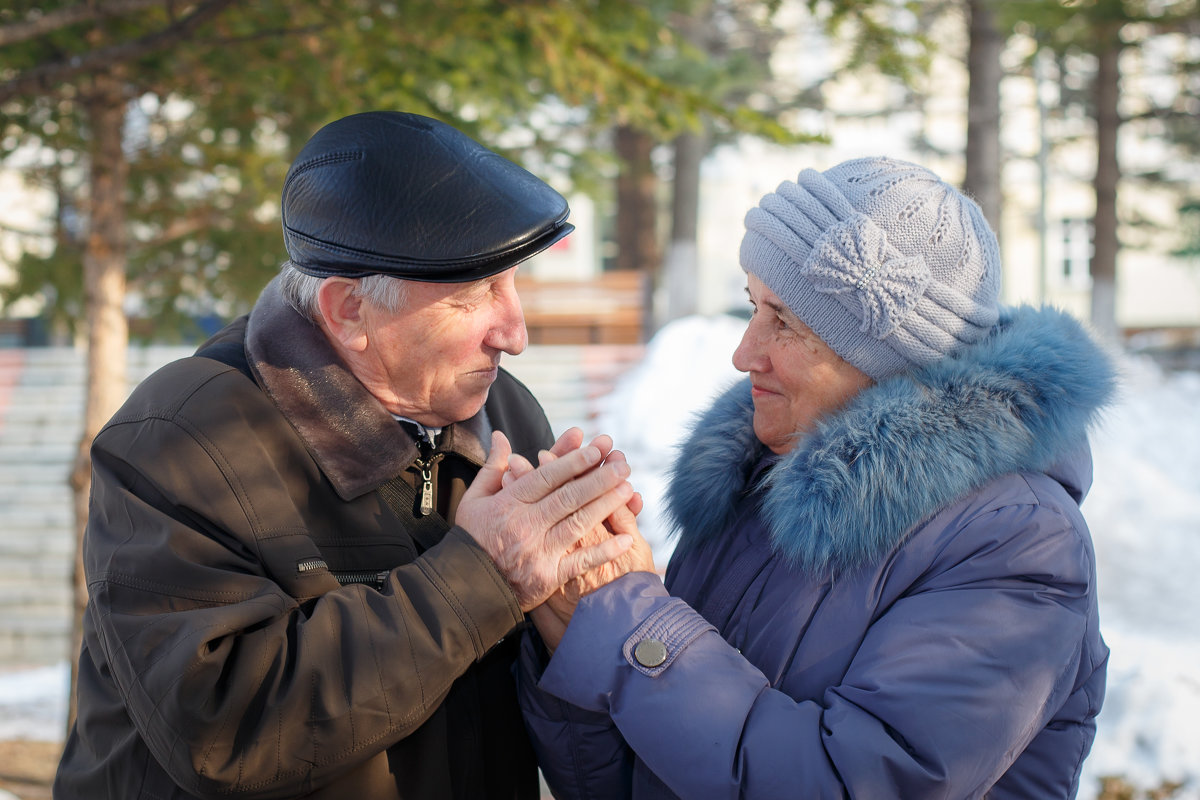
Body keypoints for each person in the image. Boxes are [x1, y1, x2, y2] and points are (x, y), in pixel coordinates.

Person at [53, 110, 639, 800]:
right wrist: (485, 579)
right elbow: (223, 734)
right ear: (349, 312)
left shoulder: (504, 412)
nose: (514, 334)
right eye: (475, 292)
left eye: (513, 284)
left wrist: (578, 627)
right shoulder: (181, 437)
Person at [517, 157, 1115, 799]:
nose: (744, 353)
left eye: (786, 322)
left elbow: (845, 785)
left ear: (885, 356)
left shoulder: (1019, 544)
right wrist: (577, 633)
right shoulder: (761, 484)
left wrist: (637, 627)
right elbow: (646, 782)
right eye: (753, 307)